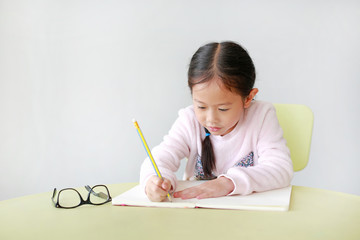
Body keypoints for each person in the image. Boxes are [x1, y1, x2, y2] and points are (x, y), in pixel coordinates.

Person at [140, 41, 293, 202]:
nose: (211, 119)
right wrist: (154, 181)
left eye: (223, 109)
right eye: (201, 106)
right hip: (197, 213)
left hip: (246, 216)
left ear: (248, 98)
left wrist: (227, 183)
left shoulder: (261, 116)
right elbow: (160, 158)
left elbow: (280, 168)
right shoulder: (189, 120)